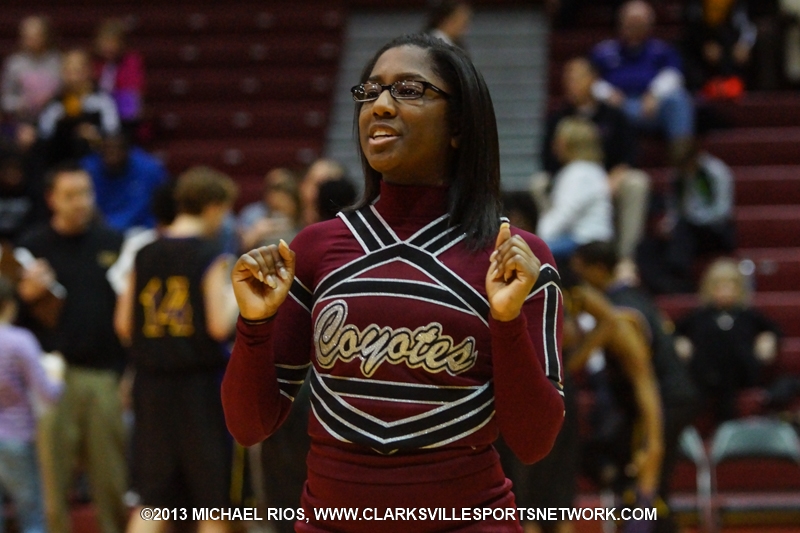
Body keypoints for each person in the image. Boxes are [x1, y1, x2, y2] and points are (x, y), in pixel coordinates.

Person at [221, 33, 565, 532]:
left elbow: (534, 442)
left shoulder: (513, 257)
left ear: (459, 125)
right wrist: (254, 325)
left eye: (408, 90)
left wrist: (506, 320)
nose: (379, 106)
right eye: (370, 91)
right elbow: (249, 425)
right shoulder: (314, 248)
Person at [115, 166, 239, 533]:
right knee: (212, 506)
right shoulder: (211, 253)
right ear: (214, 207)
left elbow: (123, 325)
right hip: (199, 390)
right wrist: (240, 297)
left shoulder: (144, 253)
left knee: (152, 503)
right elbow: (218, 325)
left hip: (151, 387)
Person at [15, 161, 127, 533]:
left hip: (104, 375)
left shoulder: (113, 242)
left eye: (86, 193)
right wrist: (25, 298)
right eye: (70, 195)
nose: (81, 202)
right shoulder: (31, 248)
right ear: (52, 199)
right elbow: (12, 320)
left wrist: (127, 372)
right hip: (50, 378)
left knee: (111, 481)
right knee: (54, 485)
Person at [571, 241, 697, 533]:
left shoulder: (623, 318)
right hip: (663, 399)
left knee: (647, 483)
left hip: (662, 401)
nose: (580, 281)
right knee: (633, 476)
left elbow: (645, 384)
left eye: (581, 272)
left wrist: (653, 444)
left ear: (598, 270)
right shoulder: (628, 298)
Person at [541, 58, 649, 274]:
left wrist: (612, 178)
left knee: (637, 182)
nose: (571, 84)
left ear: (593, 80)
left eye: (577, 78)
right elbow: (546, 160)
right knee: (539, 183)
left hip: (608, 182)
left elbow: (629, 154)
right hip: (573, 180)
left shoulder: (614, 114)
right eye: (568, 79)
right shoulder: (557, 117)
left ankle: (626, 256)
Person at [674, 258, 781, 427]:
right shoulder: (698, 317)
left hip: (740, 374)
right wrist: (680, 342)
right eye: (719, 286)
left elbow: (774, 330)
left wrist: (767, 339)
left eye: (730, 286)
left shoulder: (749, 316)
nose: (724, 291)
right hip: (704, 373)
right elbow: (674, 332)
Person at [590, 0, 695, 164]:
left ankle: (682, 157)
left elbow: (674, 75)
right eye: (630, 21)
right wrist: (607, 93)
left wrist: (655, 94)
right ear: (620, 23)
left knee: (679, 99)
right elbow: (589, 79)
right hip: (618, 107)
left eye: (639, 22)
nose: (634, 27)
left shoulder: (661, 50)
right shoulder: (603, 51)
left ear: (649, 25)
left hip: (650, 107)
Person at [0, 275, 64, 533]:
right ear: (9, 305)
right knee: (32, 516)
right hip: (16, 436)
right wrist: (58, 374)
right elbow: (47, 393)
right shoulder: (19, 340)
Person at [637, 142, 735, 294]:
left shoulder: (715, 172)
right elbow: (675, 208)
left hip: (715, 230)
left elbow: (722, 211)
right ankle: (664, 282)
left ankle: (678, 275)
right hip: (686, 230)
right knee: (647, 245)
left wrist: (690, 220)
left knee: (684, 231)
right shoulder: (679, 175)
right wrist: (669, 224)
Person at [536, 116, 614, 266]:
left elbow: (565, 213)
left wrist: (540, 238)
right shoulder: (591, 170)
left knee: (533, 253)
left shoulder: (579, 174)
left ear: (570, 144)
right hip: (580, 236)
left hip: (586, 240)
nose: (554, 146)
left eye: (559, 141)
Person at [38, 49, 120, 168]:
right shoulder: (55, 105)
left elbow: (114, 134)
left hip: (97, 164)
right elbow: (44, 137)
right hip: (60, 164)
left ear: (89, 72)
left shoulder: (102, 101)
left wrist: (97, 137)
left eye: (78, 71)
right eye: (68, 72)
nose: (73, 77)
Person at [81, 133, 168, 234]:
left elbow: (164, 205)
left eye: (117, 148)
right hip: (98, 232)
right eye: (107, 149)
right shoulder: (86, 171)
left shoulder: (150, 170)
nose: (112, 154)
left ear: (129, 150)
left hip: (142, 231)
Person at [1, 16, 62, 150]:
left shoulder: (58, 61)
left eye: (36, 36)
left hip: (55, 120)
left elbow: (66, 92)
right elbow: (5, 99)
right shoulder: (14, 64)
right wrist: (21, 103)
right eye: (27, 37)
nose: (32, 40)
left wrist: (50, 100)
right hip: (23, 121)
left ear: (46, 36)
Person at [680, 0, 756, 98]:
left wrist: (745, 43)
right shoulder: (694, 8)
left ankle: (730, 82)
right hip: (701, 44)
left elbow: (747, 23)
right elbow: (691, 22)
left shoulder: (739, 8)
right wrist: (704, 43)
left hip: (729, 40)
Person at [93, 18, 145, 142]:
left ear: (121, 44)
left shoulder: (131, 61)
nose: (109, 47)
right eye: (105, 42)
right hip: (99, 115)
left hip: (124, 116)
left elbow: (133, 93)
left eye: (113, 43)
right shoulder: (94, 63)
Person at [238, 168, 301, 250]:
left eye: (282, 207)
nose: (278, 213)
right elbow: (239, 248)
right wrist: (255, 234)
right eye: (275, 207)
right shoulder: (252, 214)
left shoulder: (302, 217)